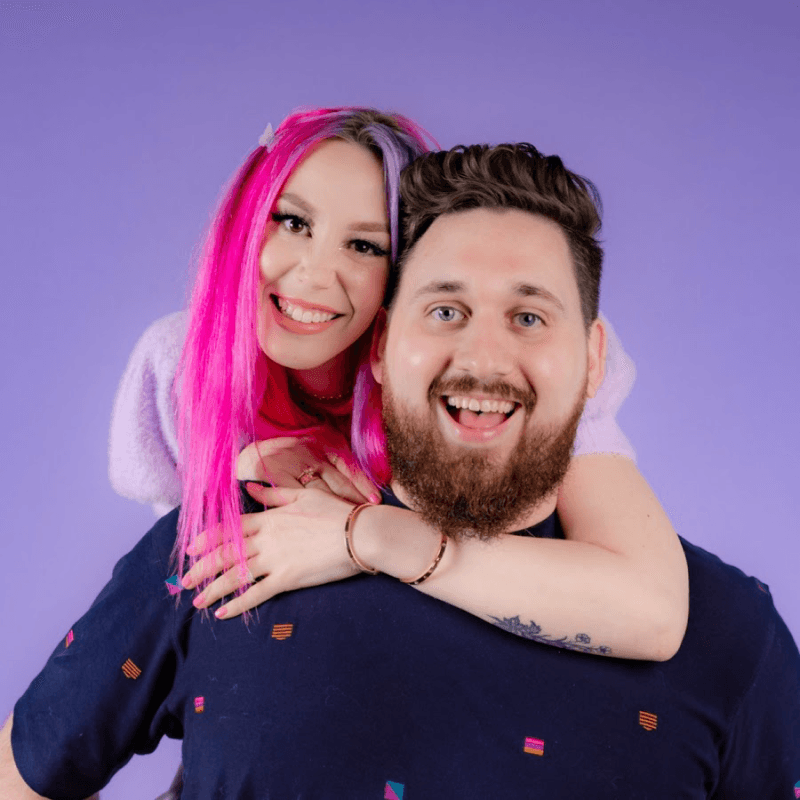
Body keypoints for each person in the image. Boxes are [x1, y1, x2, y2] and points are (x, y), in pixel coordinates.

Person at [4, 141, 798, 798]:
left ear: (594, 363)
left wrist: (373, 536)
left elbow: (655, 612)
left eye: (528, 317)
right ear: (379, 347)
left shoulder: (730, 633)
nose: (483, 357)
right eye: (445, 310)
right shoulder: (237, 541)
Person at [108, 107, 686, 662]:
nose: (313, 273)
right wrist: (243, 490)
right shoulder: (180, 368)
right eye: (292, 222)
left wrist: (365, 534)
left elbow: (648, 607)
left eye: (364, 245)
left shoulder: (495, 378)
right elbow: (200, 598)